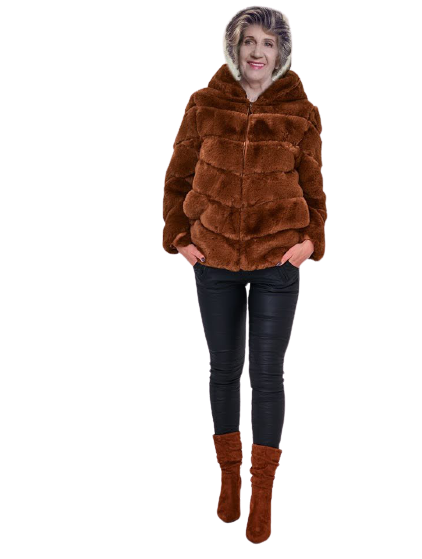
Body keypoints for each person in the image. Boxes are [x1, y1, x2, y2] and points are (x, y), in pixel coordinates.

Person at [162, 6, 327, 544]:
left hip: (277, 266)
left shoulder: (302, 112)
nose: (258, 51)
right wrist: (181, 239)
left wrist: (310, 242)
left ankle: (263, 493)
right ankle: (229, 480)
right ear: (234, 46)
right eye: (249, 41)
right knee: (223, 370)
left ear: (282, 51)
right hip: (213, 265)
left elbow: (316, 189)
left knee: (268, 374)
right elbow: (176, 178)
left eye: (269, 43)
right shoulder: (203, 104)